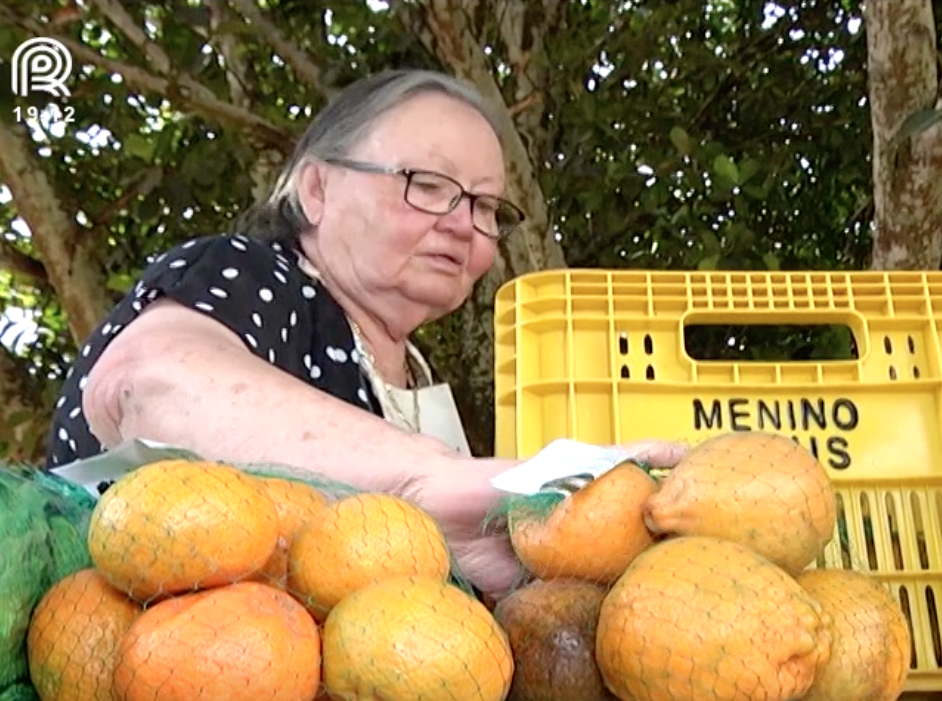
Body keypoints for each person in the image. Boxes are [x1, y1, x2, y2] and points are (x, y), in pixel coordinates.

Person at [44, 68, 686, 600]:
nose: (465, 224)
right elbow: (149, 382)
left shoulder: (416, 371)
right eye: (429, 185)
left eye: (487, 207)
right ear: (316, 188)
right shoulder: (249, 272)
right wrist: (422, 484)